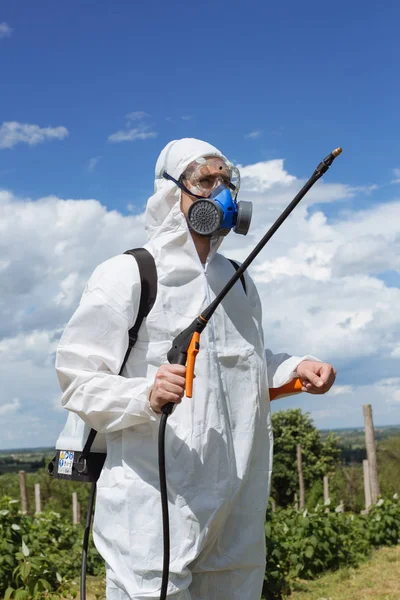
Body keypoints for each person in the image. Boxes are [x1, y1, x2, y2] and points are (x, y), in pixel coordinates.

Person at [55, 138, 336, 600]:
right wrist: (143, 394)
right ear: (172, 194)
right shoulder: (129, 274)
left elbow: (245, 364)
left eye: (227, 180)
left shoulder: (239, 280)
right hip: (155, 506)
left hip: (234, 507)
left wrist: (295, 367)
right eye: (206, 180)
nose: (221, 191)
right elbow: (77, 380)